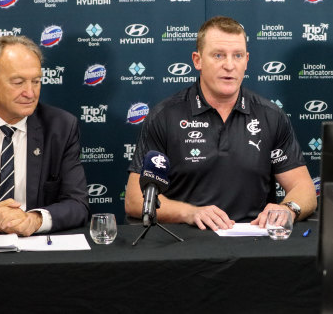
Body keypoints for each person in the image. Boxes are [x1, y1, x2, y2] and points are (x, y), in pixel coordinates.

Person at [125, 16, 316, 231]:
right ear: (197, 60)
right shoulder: (165, 116)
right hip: (186, 243)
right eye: (218, 55)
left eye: (238, 56)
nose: (229, 65)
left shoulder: (271, 116)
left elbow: (305, 188)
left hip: (254, 242)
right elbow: (135, 200)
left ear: (247, 60)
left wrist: (288, 209)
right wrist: (190, 212)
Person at [0, 35, 89, 236]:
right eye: (18, 82)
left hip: (35, 256)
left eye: (36, 81)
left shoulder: (60, 127)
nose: (30, 93)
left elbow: (78, 204)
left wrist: (33, 219)